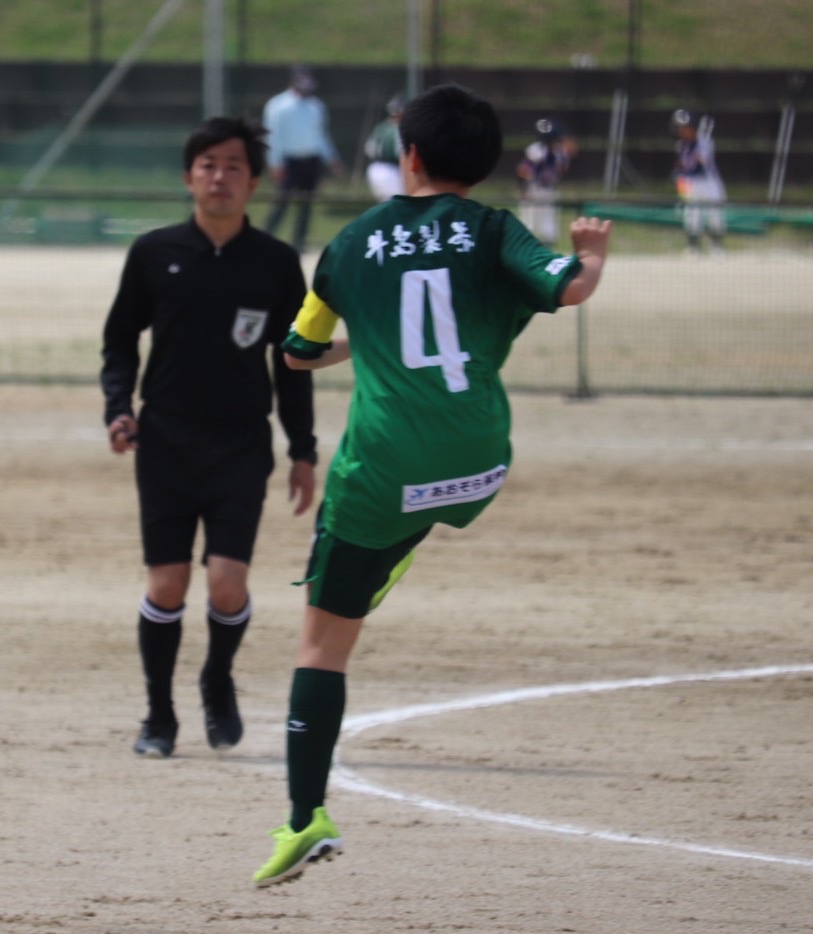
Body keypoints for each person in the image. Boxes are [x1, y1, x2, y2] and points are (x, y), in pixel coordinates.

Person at [251, 83, 611, 887]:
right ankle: (406, 539)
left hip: (386, 469)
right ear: (482, 167)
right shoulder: (495, 231)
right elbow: (570, 287)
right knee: (428, 499)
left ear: (406, 154)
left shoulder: (349, 247)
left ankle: (305, 815)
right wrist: (592, 251)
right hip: (480, 463)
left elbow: (297, 354)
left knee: (322, 642)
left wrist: (355, 345)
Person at [101, 116, 317, 759]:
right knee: (166, 586)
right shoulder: (152, 252)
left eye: (232, 167)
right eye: (207, 165)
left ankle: (217, 679)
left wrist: (302, 449)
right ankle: (158, 715)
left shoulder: (276, 265)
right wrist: (119, 408)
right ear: (188, 177)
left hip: (240, 446)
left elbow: (294, 360)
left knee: (227, 584)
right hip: (164, 442)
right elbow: (119, 341)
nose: (218, 177)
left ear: (254, 181)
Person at [262, 65, 343, 255]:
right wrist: (275, 162)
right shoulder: (278, 105)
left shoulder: (316, 106)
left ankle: (299, 242)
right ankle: (265, 238)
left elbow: (320, 136)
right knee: (281, 202)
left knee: (306, 204)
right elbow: (273, 136)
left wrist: (332, 158)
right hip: (289, 161)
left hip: (310, 160)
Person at [670, 108, 725, 257]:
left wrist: (699, 147)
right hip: (691, 184)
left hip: (709, 183)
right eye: (679, 128)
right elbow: (682, 166)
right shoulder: (681, 145)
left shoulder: (705, 142)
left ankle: (717, 247)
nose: (682, 131)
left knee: (714, 215)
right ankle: (694, 248)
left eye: (685, 127)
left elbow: (701, 160)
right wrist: (679, 178)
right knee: (692, 216)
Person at [516, 118, 577, 246]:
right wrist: (522, 188)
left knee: (548, 222)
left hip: (549, 189)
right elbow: (522, 171)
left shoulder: (559, 153)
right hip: (533, 187)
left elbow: (565, 165)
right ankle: (526, 246)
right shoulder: (536, 151)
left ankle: (548, 247)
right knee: (529, 219)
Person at [363, 96, 405, 202]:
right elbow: (400, 152)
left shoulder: (381, 127)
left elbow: (369, 149)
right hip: (392, 170)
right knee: (398, 203)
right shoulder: (401, 128)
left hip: (374, 169)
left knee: (385, 205)